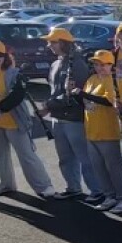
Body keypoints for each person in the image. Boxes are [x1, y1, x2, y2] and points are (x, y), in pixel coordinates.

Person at [0, 40, 56, 199]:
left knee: (26, 155)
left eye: (0, 55)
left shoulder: (13, 73)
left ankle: (44, 186)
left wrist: (0, 108)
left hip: (14, 123)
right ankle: (6, 184)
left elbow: (17, 94)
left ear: (6, 57)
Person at [42, 27, 101, 201]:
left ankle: (97, 190)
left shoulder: (77, 63)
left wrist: (48, 105)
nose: (49, 45)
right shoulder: (56, 63)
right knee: (65, 158)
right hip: (57, 117)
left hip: (74, 118)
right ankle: (73, 187)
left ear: (62, 43)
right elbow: (55, 90)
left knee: (85, 158)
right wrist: (51, 106)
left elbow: (75, 92)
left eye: (52, 41)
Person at [74, 50, 122, 214]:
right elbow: (85, 101)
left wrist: (84, 94)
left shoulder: (110, 80)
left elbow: (108, 102)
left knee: (114, 167)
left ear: (110, 66)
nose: (99, 68)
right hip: (91, 130)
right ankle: (110, 196)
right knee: (98, 167)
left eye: (103, 65)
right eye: (96, 64)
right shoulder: (91, 79)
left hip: (107, 132)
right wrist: (77, 95)